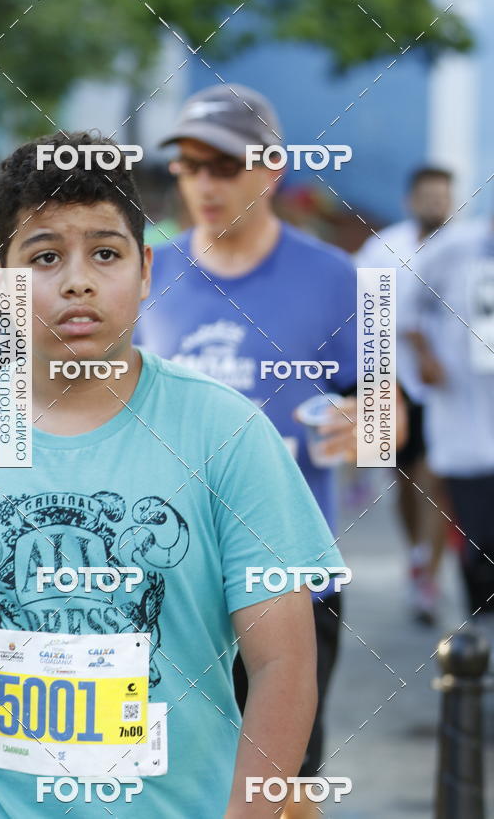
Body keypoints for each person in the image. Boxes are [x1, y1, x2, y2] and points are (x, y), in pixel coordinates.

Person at [0, 130, 344, 818]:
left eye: (105, 252)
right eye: (44, 256)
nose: (77, 279)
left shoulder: (226, 433)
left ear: (145, 270)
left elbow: (283, 665)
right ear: (1, 278)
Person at [133, 84, 359, 819]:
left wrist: (373, 426)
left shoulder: (339, 277)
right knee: (159, 786)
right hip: (163, 580)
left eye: (223, 165)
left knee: (278, 793)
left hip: (287, 578)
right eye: (188, 164)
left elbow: (387, 405)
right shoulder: (144, 271)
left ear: (271, 169)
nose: (202, 182)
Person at [356, 167, 454, 624]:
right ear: (411, 200)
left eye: (444, 197)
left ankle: (428, 576)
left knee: (434, 479)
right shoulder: (382, 250)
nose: (437, 204)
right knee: (404, 481)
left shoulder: (464, 250)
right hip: (388, 380)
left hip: (446, 386)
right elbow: (362, 320)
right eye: (429, 196)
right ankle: (417, 553)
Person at [403, 216, 494, 630]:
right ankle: (478, 636)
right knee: (481, 541)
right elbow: (403, 307)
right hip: (466, 425)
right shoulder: (455, 247)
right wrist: (425, 358)